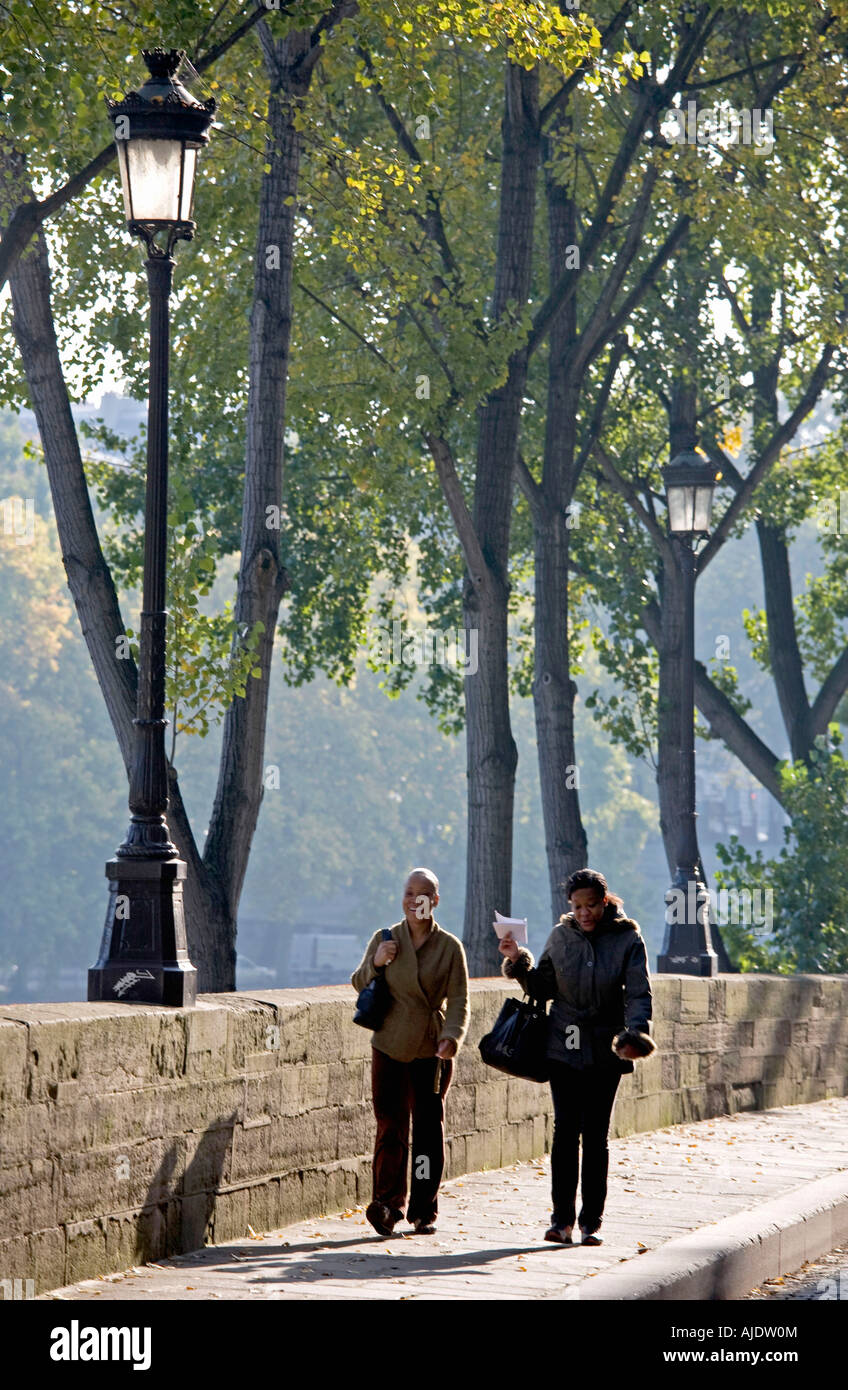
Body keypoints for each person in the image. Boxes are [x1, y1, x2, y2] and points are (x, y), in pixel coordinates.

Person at [499, 868, 655, 1246]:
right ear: (570, 905)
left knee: (596, 1135)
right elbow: (542, 988)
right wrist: (518, 959)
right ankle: (561, 1222)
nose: (584, 913)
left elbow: (638, 993)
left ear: (604, 901)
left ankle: (590, 1222)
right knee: (565, 1132)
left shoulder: (627, 938)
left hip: (606, 1046)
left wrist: (634, 1032)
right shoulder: (560, 937)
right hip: (562, 1045)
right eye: (577, 906)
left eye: (591, 905)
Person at [351, 867, 470, 1237]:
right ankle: (387, 1205)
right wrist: (376, 962)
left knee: (428, 1132)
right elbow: (357, 982)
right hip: (389, 1044)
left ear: (434, 901)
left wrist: (452, 1037)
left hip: (430, 1050)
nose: (413, 900)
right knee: (390, 1127)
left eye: (422, 894)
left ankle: (423, 1209)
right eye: (408, 892)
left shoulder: (449, 947)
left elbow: (460, 1001)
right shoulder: (386, 939)